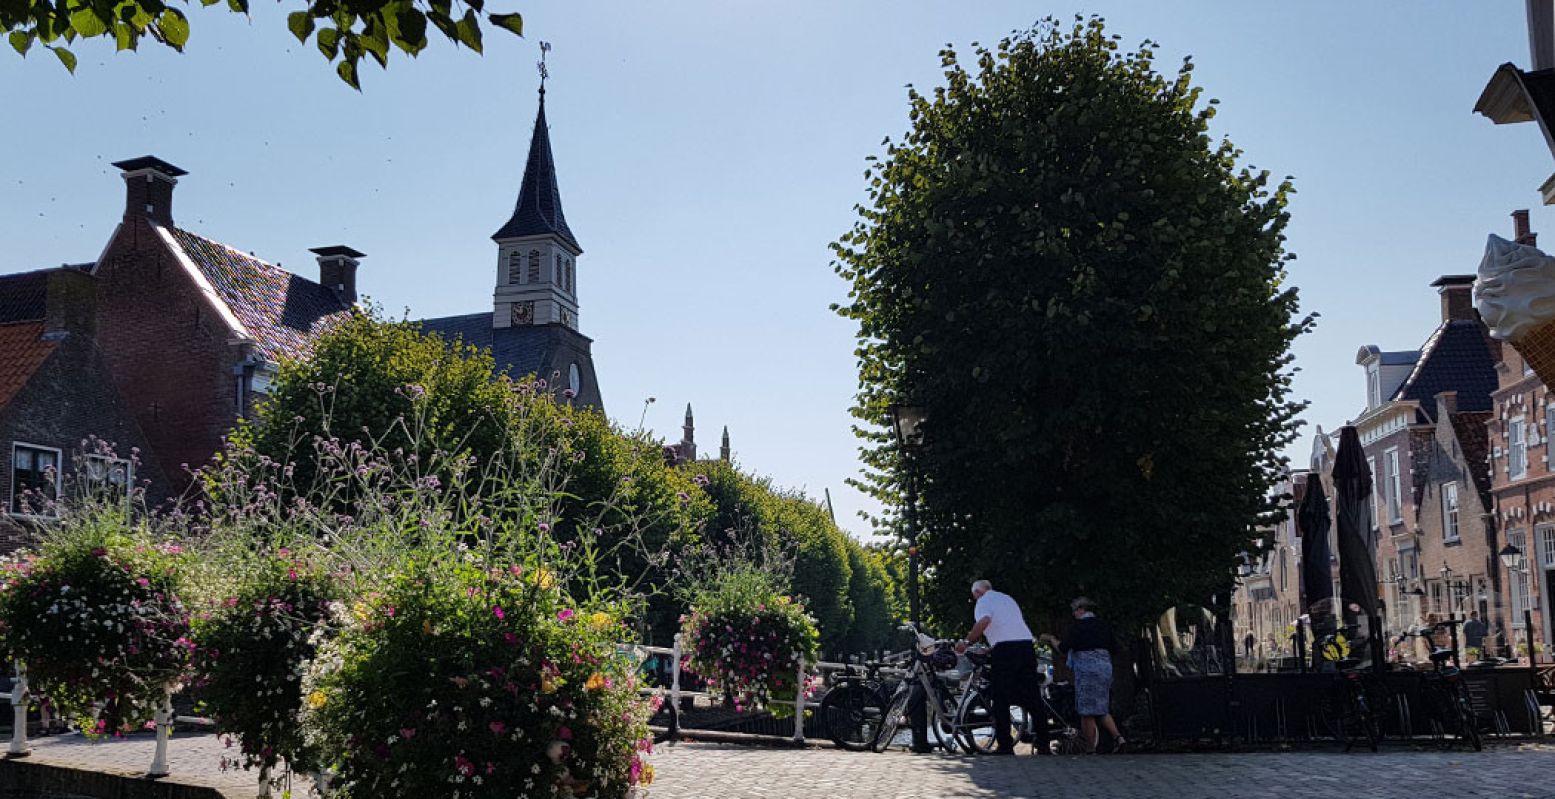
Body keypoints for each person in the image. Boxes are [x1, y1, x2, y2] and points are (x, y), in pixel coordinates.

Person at [956, 579, 1049, 755]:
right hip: (1026, 647)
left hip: (1006, 652)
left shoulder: (983, 601)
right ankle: (1043, 744)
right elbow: (1009, 628)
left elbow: (983, 621)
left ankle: (1005, 745)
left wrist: (966, 642)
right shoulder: (1007, 599)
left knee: (1000, 698)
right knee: (1033, 697)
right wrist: (991, 647)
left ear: (977, 593)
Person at [1042, 597, 1126, 754]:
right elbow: (1116, 648)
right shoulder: (1103, 625)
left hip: (1086, 670)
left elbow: (1063, 648)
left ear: (1081, 609)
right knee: (1102, 708)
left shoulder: (1078, 627)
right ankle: (1118, 738)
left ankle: (1089, 748)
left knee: (1086, 711)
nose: (1073, 614)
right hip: (1104, 668)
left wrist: (1051, 639)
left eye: (1074, 610)